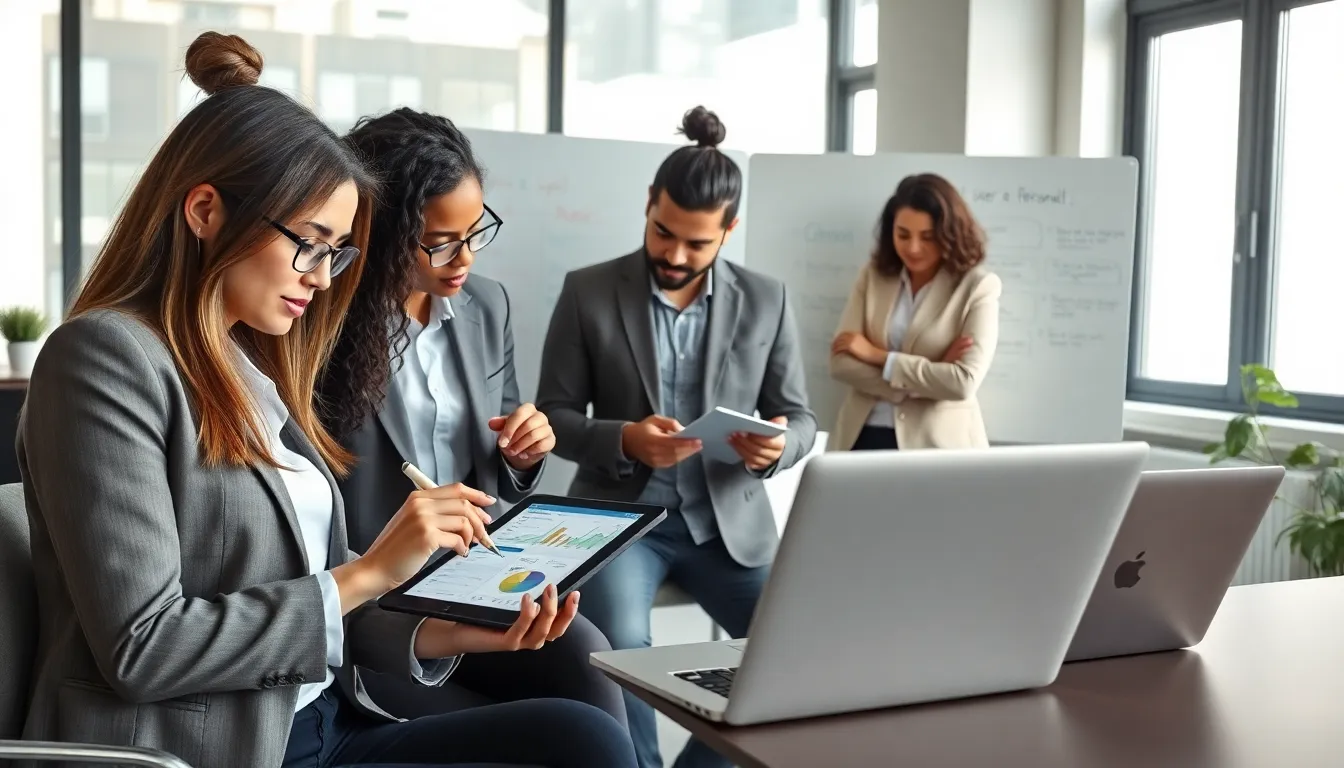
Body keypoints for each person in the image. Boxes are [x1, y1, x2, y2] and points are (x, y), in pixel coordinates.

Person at [15, 32, 636, 768]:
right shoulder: (104, 359)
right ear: (206, 211)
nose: (324, 275)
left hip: (318, 721)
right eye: (310, 243)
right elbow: (145, 647)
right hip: (222, 744)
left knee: (581, 734)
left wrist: (455, 630)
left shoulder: (252, 364)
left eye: (338, 252)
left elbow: (322, 593)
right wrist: (370, 571)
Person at [318, 107, 626, 725]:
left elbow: (503, 451)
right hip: (383, 596)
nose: (464, 259)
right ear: (379, 232)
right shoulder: (322, 329)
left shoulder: (488, 305)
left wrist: (522, 455)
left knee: (589, 663)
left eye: (474, 231)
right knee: (527, 728)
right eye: (438, 242)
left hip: (480, 575)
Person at [536, 106, 818, 768]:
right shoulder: (589, 291)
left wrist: (780, 448)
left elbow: (799, 416)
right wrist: (628, 439)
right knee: (624, 645)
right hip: (621, 519)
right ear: (648, 205)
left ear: (729, 231)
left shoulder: (767, 299)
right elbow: (554, 417)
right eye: (663, 233)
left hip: (729, 524)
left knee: (797, 649)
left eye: (697, 243)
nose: (674, 255)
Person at [828, 172, 1002, 452]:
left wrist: (879, 357)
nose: (913, 248)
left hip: (937, 445)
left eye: (928, 237)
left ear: (950, 234)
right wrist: (925, 381)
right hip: (861, 436)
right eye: (903, 234)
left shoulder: (977, 286)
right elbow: (841, 363)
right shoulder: (873, 276)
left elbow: (962, 383)